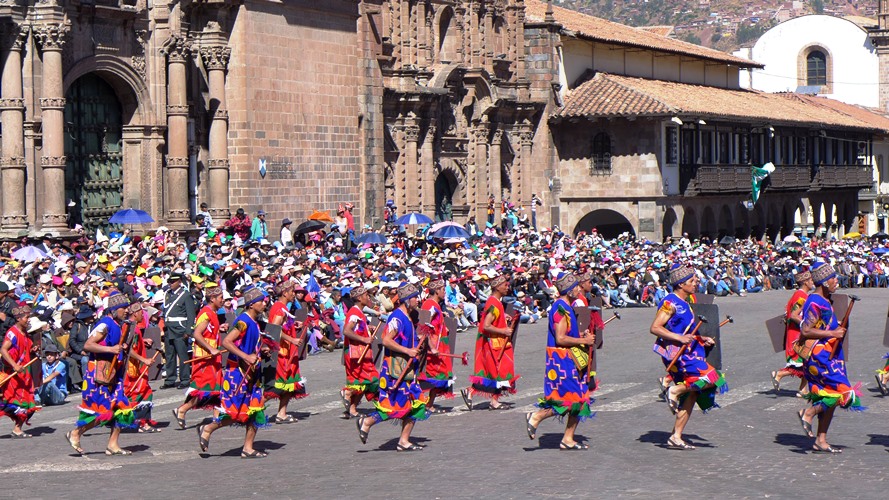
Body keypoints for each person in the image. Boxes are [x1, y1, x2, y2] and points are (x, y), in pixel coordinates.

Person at [650, 263, 728, 450]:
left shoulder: (685, 303)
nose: (696, 283)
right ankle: (674, 390)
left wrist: (701, 338)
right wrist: (679, 338)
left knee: (692, 393)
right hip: (678, 354)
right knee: (713, 378)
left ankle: (676, 436)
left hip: (689, 351)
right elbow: (655, 328)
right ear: (681, 284)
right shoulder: (670, 302)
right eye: (692, 281)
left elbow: (686, 331)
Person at [797, 262, 864, 453]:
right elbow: (806, 330)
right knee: (844, 393)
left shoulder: (826, 300)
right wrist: (833, 334)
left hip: (831, 357)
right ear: (825, 282)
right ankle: (808, 413)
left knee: (828, 397)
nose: (837, 281)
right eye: (833, 278)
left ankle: (821, 439)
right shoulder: (814, 301)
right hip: (820, 358)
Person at [197, 287, 270, 458]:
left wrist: (262, 350)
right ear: (252, 305)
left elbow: (251, 345)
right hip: (237, 373)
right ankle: (208, 428)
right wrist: (246, 356)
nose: (264, 303)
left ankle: (248, 447)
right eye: (261, 301)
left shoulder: (255, 323)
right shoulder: (242, 321)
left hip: (252, 372)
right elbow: (227, 342)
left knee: (254, 409)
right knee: (234, 412)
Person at [356, 283, 429, 452]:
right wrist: (408, 350)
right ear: (406, 299)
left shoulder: (409, 316)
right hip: (395, 369)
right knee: (394, 404)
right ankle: (367, 421)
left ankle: (403, 441)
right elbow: (387, 340)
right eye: (414, 298)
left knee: (416, 403)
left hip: (408, 369)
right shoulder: (397, 318)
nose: (417, 301)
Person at [524, 272, 594, 449]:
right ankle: (537, 416)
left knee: (579, 399)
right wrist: (583, 341)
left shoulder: (567, 307)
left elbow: (569, 334)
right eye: (576, 286)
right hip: (562, 361)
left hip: (569, 359)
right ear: (570, 290)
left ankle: (568, 439)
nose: (579, 288)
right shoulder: (560, 308)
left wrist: (581, 335)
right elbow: (561, 338)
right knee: (568, 398)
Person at [66, 293, 137, 455]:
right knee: (103, 410)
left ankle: (113, 444)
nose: (126, 311)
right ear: (114, 309)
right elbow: (88, 345)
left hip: (113, 373)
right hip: (99, 374)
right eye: (123, 308)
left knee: (121, 407)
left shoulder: (118, 325)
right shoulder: (104, 324)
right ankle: (76, 432)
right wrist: (111, 349)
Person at [461, 274, 518, 411]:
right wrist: (503, 331)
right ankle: (486, 398)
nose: (507, 287)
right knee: (498, 371)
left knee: (497, 372)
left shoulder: (496, 302)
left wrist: (503, 317)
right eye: (505, 285)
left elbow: (494, 317)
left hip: (497, 343)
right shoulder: (493, 303)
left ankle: (489, 399)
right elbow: (486, 325)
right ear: (497, 287)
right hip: (494, 344)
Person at [173, 285, 226, 429]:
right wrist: (211, 349)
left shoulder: (213, 313)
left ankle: (217, 418)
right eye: (221, 298)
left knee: (217, 389)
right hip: (205, 357)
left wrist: (219, 329)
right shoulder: (206, 313)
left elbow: (208, 331)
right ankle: (182, 409)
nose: (223, 300)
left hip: (213, 357)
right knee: (204, 390)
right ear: (213, 298)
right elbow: (196, 334)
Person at [265, 279, 308, 423]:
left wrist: (293, 324)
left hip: (288, 351)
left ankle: (281, 413)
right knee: (277, 386)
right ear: (284, 293)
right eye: (291, 292)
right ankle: (254, 408)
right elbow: (274, 329)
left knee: (289, 384)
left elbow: (283, 326)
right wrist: (292, 340)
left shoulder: (284, 308)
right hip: (281, 353)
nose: (294, 295)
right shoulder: (278, 308)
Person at [770, 270, 813, 396]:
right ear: (805, 282)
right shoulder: (801, 297)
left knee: (807, 360)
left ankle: (803, 389)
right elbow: (794, 315)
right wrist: (806, 324)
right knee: (800, 360)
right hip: (797, 333)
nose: (812, 283)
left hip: (798, 332)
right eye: (811, 281)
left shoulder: (800, 295)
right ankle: (779, 374)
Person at [340, 286, 380, 418]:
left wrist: (367, 328)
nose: (368, 297)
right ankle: (347, 393)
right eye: (366, 295)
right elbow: (346, 330)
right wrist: (364, 338)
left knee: (362, 382)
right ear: (358, 298)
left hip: (362, 352)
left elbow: (357, 328)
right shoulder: (354, 312)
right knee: (367, 379)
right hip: (355, 352)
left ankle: (352, 409)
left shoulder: (359, 312)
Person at [0, 305, 40, 438]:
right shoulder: (12, 332)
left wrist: (32, 350)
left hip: (25, 374)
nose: (28, 320)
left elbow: (25, 350)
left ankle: (17, 429)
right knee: (9, 402)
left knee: (29, 403)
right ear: (18, 318)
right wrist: (14, 365)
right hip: (13, 374)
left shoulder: (26, 333)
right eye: (27, 317)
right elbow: (3, 350)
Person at [417, 277, 454, 413]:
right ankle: (424, 403)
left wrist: (444, 327)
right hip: (432, 347)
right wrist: (431, 347)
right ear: (437, 290)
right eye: (443, 289)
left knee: (438, 375)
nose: (445, 292)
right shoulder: (430, 305)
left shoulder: (436, 305)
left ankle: (429, 404)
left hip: (439, 346)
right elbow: (422, 328)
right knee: (432, 376)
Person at [122, 302, 160, 433]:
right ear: (135, 313)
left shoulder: (133, 327)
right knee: (139, 394)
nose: (143, 316)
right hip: (132, 368)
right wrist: (144, 359)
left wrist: (142, 341)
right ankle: (139, 422)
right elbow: (128, 349)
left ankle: (141, 422)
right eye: (141, 313)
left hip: (135, 366)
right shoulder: (132, 327)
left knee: (144, 392)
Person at [161, 272, 195, 389]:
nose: (170, 284)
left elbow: (191, 315)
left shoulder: (185, 295)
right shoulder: (167, 294)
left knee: (182, 355)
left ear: (179, 282)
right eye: (169, 282)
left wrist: (188, 330)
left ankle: (185, 379)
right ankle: (170, 379)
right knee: (169, 355)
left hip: (180, 328)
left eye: (173, 282)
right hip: (169, 328)